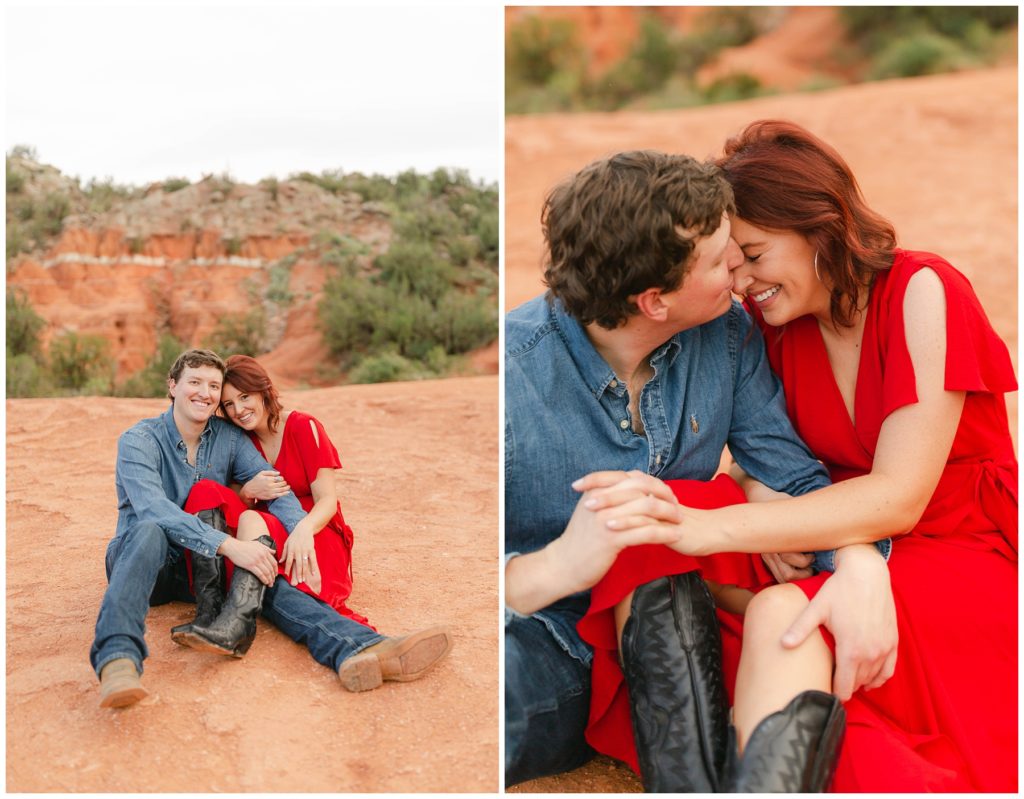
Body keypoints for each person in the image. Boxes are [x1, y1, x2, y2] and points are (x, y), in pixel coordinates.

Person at [578, 121, 1017, 792]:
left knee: (776, 611)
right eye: (731, 261)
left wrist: (727, 529)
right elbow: (757, 461)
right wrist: (759, 500)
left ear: (817, 226)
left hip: (955, 547)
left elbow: (899, 496)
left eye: (753, 253)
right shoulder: (769, 322)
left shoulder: (925, 290)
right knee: (646, 518)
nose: (740, 279)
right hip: (827, 531)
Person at [504, 151, 894, 791]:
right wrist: (558, 565)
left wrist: (858, 561)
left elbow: (791, 477)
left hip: (674, 632)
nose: (741, 263)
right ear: (654, 300)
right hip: (552, 638)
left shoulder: (727, 334)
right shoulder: (518, 378)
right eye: (721, 260)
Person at [90, 349, 450, 709]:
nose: (205, 393)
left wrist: (300, 538)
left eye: (213, 386)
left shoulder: (228, 438)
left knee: (262, 572)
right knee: (151, 530)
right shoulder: (139, 440)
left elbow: (277, 490)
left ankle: (359, 647)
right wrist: (229, 546)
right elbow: (154, 509)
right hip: (143, 562)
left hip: (198, 565)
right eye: (194, 382)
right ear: (173, 386)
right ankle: (118, 660)